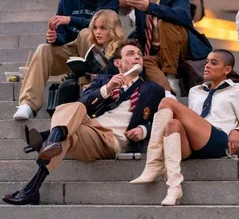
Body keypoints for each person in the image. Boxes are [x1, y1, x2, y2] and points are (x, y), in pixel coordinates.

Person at [3, 40, 165, 205]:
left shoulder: (153, 89)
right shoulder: (103, 80)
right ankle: (43, 164)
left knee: (68, 135)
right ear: (117, 63)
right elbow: (84, 103)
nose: (137, 57)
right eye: (130, 54)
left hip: (109, 138)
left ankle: (50, 140)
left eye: (139, 55)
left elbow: (164, 118)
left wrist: (144, 129)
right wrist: (107, 89)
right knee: (75, 108)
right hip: (89, 126)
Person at [130, 49, 239, 205]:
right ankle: (174, 187)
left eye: (214, 63)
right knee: (172, 124)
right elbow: (191, 121)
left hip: (218, 140)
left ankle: (154, 163)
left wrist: (237, 131)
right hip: (195, 142)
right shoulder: (195, 91)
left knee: (167, 102)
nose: (207, 66)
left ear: (227, 70)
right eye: (206, 62)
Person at [13, 0, 119, 120]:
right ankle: (28, 103)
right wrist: (54, 37)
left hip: (104, 53)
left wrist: (70, 19)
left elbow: (105, 24)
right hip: (76, 50)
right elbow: (64, 35)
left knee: (85, 33)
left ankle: (89, 87)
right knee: (43, 49)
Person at [127, 0, 212, 96]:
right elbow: (140, 31)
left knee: (165, 23)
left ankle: (171, 77)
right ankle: (168, 91)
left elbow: (183, 15)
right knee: (144, 61)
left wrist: (150, 7)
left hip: (180, 48)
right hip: (157, 52)